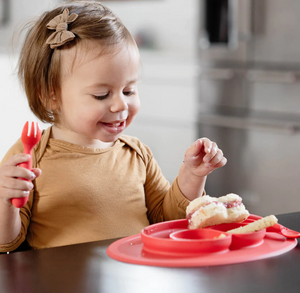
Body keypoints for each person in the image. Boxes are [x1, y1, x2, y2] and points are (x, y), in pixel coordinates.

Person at [0, 1, 227, 252]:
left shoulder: (136, 154)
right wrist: (5, 201)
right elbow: (8, 242)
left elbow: (167, 220)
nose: (121, 104)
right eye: (101, 95)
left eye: (129, 90)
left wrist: (192, 176)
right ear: (50, 95)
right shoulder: (30, 157)